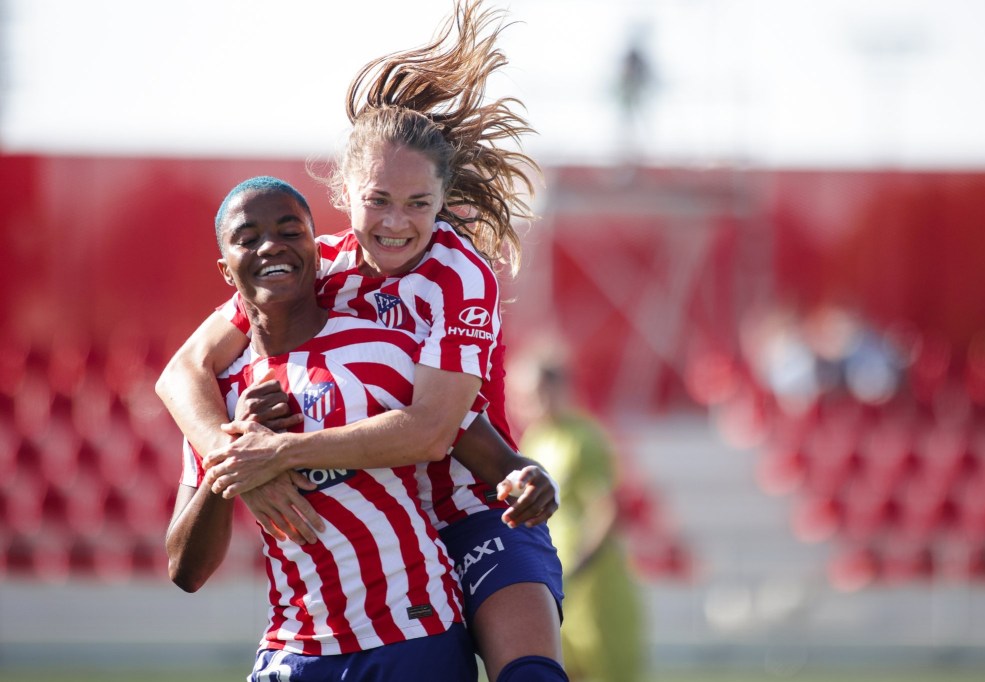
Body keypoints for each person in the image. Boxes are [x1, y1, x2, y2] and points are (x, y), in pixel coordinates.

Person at [155, 3, 567, 681]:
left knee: (531, 676)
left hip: (472, 507)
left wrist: (276, 455)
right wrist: (237, 465)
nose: (397, 223)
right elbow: (183, 371)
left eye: (419, 204)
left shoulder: (457, 273)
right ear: (344, 193)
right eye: (378, 200)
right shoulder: (313, 264)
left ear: (442, 201)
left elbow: (434, 431)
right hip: (381, 531)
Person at [166, 176, 477, 681]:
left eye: (290, 232)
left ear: (318, 249)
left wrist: (525, 478)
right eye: (248, 238)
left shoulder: (384, 349)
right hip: (295, 647)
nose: (271, 246)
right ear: (225, 268)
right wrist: (237, 458)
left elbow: (464, 438)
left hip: (412, 632)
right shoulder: (216, 403)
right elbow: (186, 570)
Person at [513, 349, 647, 682]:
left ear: (559, 388)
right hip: (557, 578)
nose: (530, 403)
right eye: (524, 395)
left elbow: (607, 511)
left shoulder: (584, 438)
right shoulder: (535, 440)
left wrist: (577, 566)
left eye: (538, 392)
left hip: (592, 583)